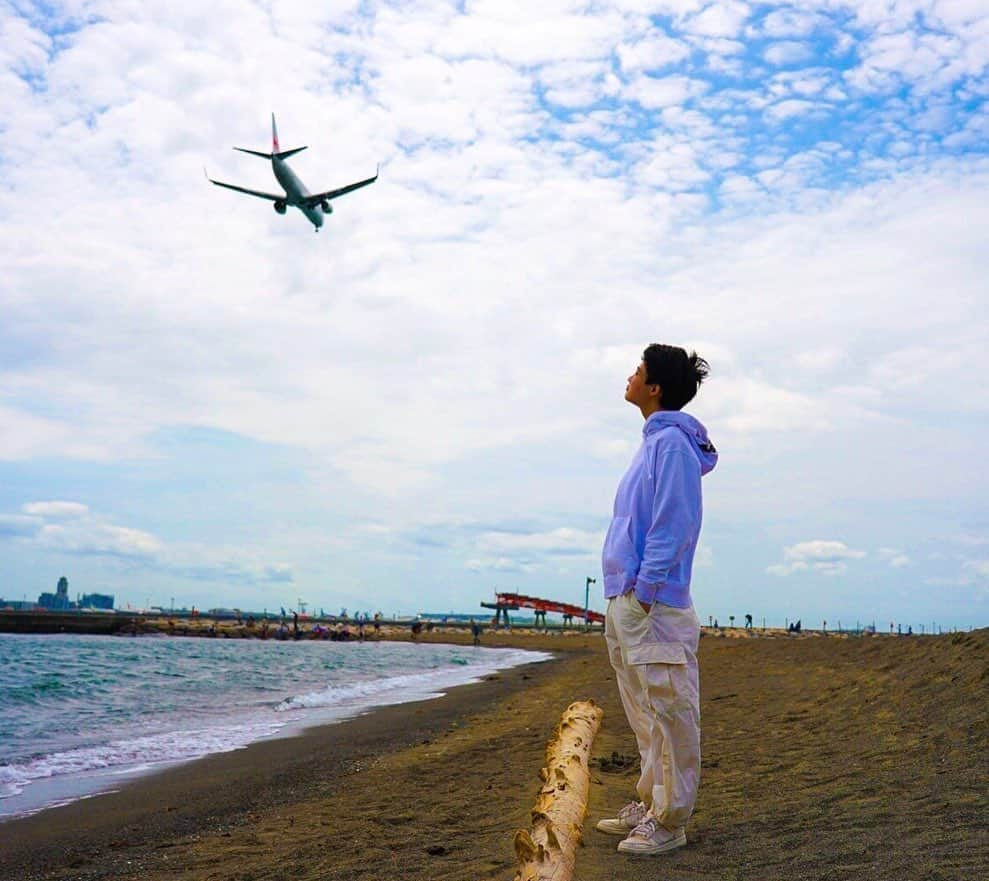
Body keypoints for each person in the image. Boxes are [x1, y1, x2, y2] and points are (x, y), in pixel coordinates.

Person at [595, 343, 717, 857]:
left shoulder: (671, 446)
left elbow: (676, 522)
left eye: (638, 371)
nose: (630, 376)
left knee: (668, 708)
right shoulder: (653, 443)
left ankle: (670, 821)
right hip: (629, 598)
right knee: (645, 707)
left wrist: (646, 591)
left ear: (655, 387)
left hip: (654, 603)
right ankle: (652, 802)